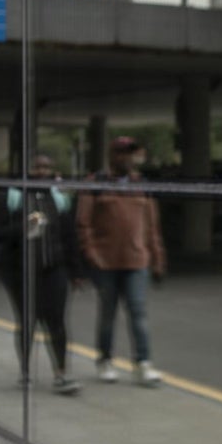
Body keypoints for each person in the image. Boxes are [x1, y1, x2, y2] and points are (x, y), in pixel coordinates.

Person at [76, 136, 166, 387]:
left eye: (132, 153)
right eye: (124, 153)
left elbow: (152, 226)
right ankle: (105, 360)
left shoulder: (142, 185)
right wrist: (91, 253)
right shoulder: (96, 183)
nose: (129, 158)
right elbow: (83, 223)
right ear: (113, 156)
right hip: (105, 261)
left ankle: (143, 363)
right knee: (108, 313)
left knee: (138, 313)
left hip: (137, 260)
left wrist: (157, 257)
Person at [0, 153, 82, 395]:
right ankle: (26, 372)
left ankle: (61, 373)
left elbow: (70, 235)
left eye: (46, 167)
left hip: (54, 268)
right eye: (37, 166)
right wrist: (23, 226)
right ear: (26, 168)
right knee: (27, 322)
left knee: (57, 322)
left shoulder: (58, 195)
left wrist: (76, 271)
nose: (42, 171)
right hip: (20, 271)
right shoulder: (12, 195)